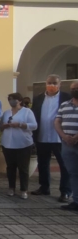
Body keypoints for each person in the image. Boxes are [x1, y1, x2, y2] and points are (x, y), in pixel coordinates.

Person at [31, 74, 71, 202]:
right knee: (43, 163)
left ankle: (65, 191)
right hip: (42, 135)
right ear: (45, 84)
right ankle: (44, 187)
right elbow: (34, 115)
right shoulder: (38, 98)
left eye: (54, 83)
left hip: (60, 137)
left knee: (64, 165)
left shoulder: (66, 98)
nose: (51, 85)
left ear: (59, 85)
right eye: (49, 83)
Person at [0, 92, 38, 200]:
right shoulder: (7, 112)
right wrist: (5, 125)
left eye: (13, 99)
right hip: (8, 143)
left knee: (23, 168)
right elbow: (1, 127)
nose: (11, 101)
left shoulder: (27, 112)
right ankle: (11, 188)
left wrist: (20, 125)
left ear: (19, 101)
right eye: (9, 99)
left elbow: (34, 125)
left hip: (23, 144)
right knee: (10, 167)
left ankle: (23, 189)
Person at [55, 80, 78, 211]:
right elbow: (57, 122)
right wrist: (64, 136)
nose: (75, 90)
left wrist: (76, 137)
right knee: (73, 173)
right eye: (73, 88)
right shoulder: (64, 105)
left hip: (75, 141)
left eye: (77, 88)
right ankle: (76, 201)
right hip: (67, 144)